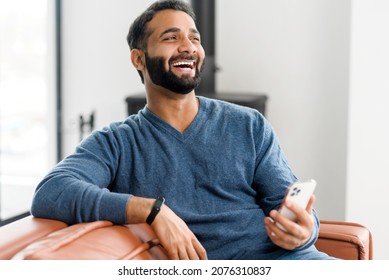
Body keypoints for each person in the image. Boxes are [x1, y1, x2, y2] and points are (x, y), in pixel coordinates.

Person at [31, 0, 335, 260]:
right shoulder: (117, 142)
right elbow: (51, 192)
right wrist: (151, 210)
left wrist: (305, 232)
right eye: (171, 38)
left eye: (195, 38)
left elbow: (288, 207)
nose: (188, 47)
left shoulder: (249, 124)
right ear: (138, 59)